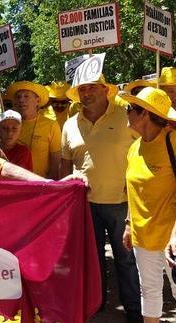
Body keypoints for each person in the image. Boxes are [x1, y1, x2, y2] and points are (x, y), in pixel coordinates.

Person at [60, 74, 142, 321]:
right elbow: (65, 166)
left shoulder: (126, 116)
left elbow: (145, 151)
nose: (86, 93)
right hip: (85, 206)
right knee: (92, 261)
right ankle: (96, 307)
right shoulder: (69, 124)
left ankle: (134, 312)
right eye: (82, 89)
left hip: (122, 203)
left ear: (105, 90)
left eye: (92, 87)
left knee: (126, 260)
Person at [121, 87, 176, 322]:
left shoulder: (172, 141)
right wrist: (128, 223)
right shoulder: (134, 148)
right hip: (142, 237)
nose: (126, 112)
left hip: (171, 238)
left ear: (144, 114)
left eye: (129, 108)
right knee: (150, 291)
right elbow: (131, 190)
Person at [6, 81, 61, 179]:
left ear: (38, 101)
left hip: (40, 186)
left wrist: (48, 185)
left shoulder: (51, 125)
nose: (21, 100)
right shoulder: (7, 125)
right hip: (13, 185)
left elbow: (56, 161)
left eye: (26, 96)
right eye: (18, 97)